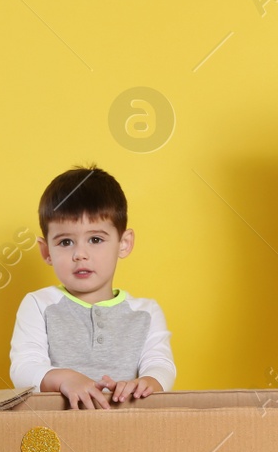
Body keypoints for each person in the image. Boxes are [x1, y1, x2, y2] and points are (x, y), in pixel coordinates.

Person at [9, 166, 175, 408]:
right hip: (59, 430)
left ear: (124, 244)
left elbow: (161, 363)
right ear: (46, 251)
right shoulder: (39, 305)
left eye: (95, 239)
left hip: (129, 424)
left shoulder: (146, 313)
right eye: (65, 242)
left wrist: (148, 381)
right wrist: (65, 378)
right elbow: (24, 368)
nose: (80, 254)